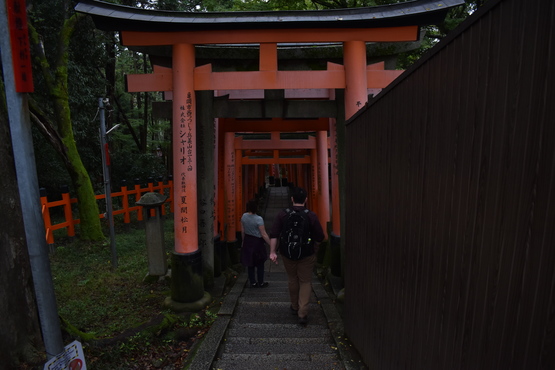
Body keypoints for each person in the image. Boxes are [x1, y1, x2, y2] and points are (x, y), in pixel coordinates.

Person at [269, 187, 325, 326]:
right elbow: (320, 236)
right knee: (305, 281)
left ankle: (294, 306)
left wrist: (272, 252)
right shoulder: (311, 215)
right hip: (306, 253)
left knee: (292, 279)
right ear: (306, 199)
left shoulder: (283, 214)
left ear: (292, 199)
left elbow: (274, 234)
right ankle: (302, 313)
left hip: (288, 253)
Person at [241, 199, 272, 288]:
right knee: (260, 262)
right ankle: (261, 282)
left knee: (250, 263)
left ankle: (252, 282)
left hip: (248, 240)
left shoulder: (244, 217)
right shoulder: (259, 219)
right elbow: (263, 234)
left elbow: (242, 231)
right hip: (257, 242)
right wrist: (271, 244)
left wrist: (243, 241)